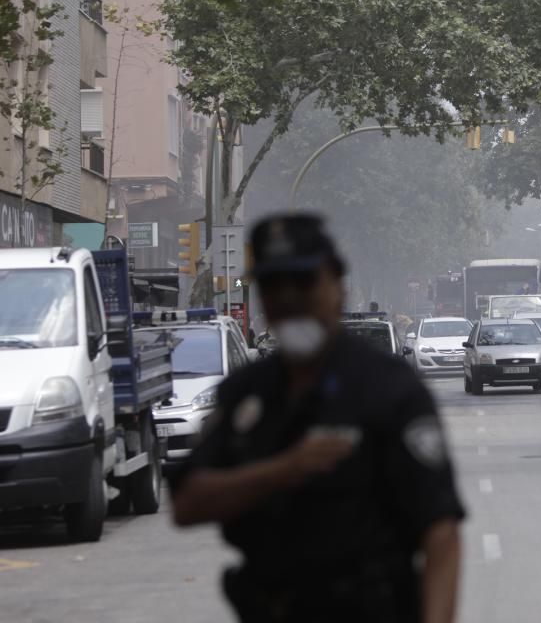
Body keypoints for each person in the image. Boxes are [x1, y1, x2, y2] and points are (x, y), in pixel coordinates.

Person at [169, 214, 465, 623]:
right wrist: (282, 470)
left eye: (304, 282)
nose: (289, 299)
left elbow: (440, 530)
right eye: (273, 286)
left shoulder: (389, 388)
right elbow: (187, 503)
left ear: (337, 287)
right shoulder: (246, 394)